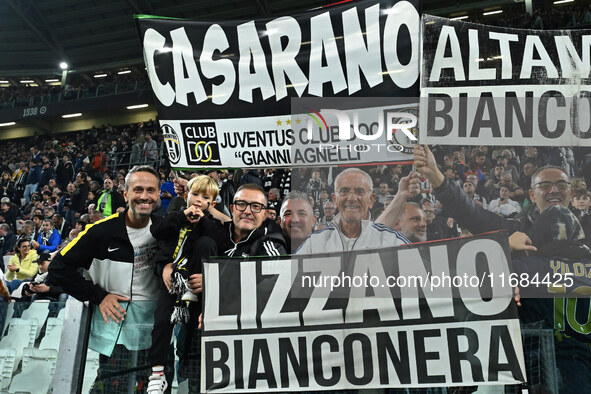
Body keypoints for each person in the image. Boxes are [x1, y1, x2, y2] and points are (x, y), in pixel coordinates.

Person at [49, 165, 170, 392]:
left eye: (151, 190)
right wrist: (98, 296)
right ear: (125, 194)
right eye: (138, 190)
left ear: (158, 195)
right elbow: (58, 267)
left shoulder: (167, 229)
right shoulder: (100, 232)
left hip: (158, 338)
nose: (144, 196)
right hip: (117, 338)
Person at [147, 175, 229, 394]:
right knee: (162, 321)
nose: (198, 201)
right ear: (186, 195)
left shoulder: (210, 224)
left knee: (206, 242)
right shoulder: (175, 216)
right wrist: (181, 217)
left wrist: (203, 220)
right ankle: (157, 373)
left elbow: (222, 244)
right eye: (194, 195)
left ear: (211, 204)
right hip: (173, 282)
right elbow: (157, 232)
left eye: (205, 198)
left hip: (199, 292)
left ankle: (199, 372)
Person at [413, 145, 579, 245]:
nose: (554, 190)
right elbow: (473, 215)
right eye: (544, 185)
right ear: (532, 195)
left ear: (571, 193)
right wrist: (435, 174)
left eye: (562, 184)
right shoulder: (517, 230)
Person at [297, 168, 412, 254]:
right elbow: (291, 282)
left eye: (359, 191)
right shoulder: (314, 243)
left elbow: (424, 276)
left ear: (371, 200)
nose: (351, 198)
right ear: (334, 200)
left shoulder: (392, 240)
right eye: (344, 191)